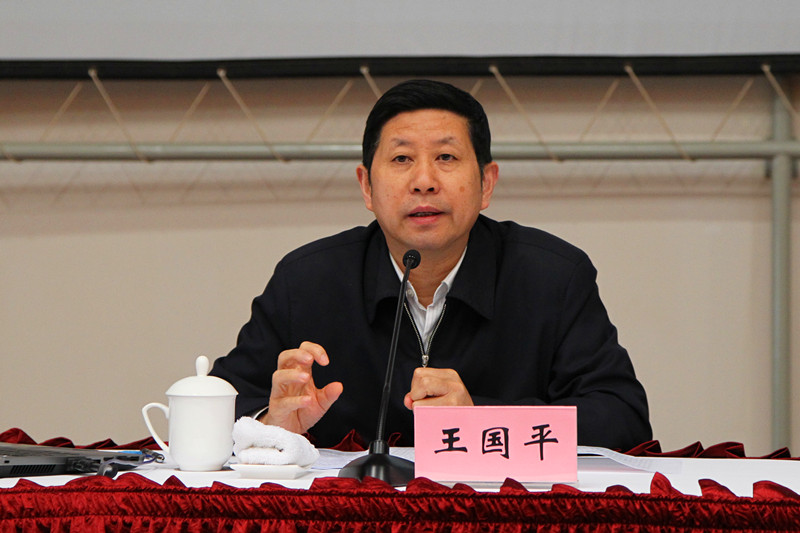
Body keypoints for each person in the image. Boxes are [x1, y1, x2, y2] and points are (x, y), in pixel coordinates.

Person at [210, 79, 651, 450]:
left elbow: (622, 418)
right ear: (366, 186)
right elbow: (217, 404)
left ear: (486, 183)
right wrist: (270, 422)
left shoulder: (552, 277)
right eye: (402, 159)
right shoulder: (307, 281)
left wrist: (481, 419)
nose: (424, 181)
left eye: (446, 157)